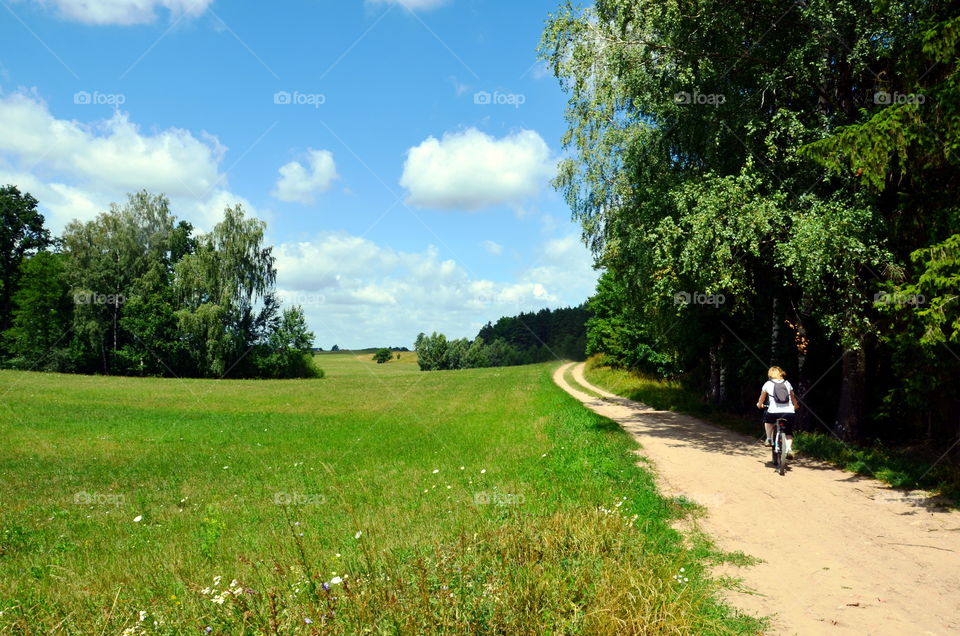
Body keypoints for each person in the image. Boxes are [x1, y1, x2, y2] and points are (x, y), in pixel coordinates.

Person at [756, 366, 799, 458]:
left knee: (768, 422)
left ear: (770, 374)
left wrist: (759, 404)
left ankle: (769, 439)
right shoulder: (787, 383)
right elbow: (793, 397)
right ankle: (789, 449)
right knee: (788, 432)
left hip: (773, 411)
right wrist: (795, 406)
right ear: (781, 373)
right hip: (789, 412)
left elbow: (762, 398)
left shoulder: (767, 384)